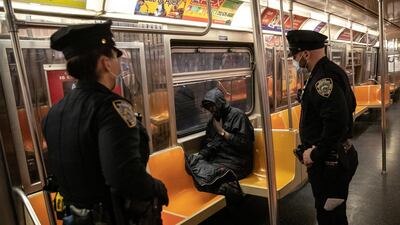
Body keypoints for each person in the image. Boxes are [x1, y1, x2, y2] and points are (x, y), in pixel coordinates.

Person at [42, 20, 168, 225]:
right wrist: (156, 187)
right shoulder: (111, 108)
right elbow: (123, 175)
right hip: (111, 217)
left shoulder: (54, 113)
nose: (119, 63)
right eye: (115, 56)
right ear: (105, 63)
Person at [287, 30, 358, 225]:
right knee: (333, 212)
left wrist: (316, 153)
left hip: (330, 162)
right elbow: (350, 103)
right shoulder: (331, 71)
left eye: (295, 55)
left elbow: (337, 121)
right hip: (335, 156)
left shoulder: (322, 79)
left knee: (328, 215)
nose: (294, 60)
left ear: (305, 54)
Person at [185, 87, 254, 203]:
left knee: (210, 174)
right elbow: (210, 144)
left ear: (220, 103)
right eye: (208, 107)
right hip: (219, 161)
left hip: (238, 161)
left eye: (212, 106)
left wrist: (223, 133)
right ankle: (226, 185)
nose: (211, 110)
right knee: (192, 162)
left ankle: (230, 192)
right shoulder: (213, 122)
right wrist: (200, 156)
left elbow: (245, 145)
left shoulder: (238, 116)